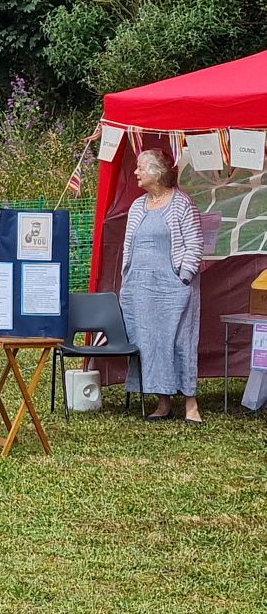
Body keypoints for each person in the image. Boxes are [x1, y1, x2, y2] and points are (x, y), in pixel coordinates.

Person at [120, 148, 205, 425]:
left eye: (140, 168)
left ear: (156, 171)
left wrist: (184, 277)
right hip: (140, 290)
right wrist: (127, 277)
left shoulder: (182, 204)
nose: (136, 173)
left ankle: (191, 405)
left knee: (180, 342)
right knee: (149, 343)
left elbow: (194, 245)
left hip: (173, 289)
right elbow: (128, 247)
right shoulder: (136, 206)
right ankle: (162, 401)